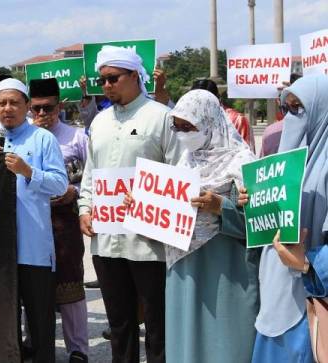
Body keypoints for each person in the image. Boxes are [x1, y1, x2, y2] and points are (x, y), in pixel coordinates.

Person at [124, 89, 259, 362]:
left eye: (189, 126)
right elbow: (163, 222)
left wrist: (221, 207)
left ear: (210, 122)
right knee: (187, 344)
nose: (183, 133)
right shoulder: (183, 163)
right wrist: (140, 206)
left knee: (227, 345)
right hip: (184, 271)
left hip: (226, 273)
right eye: (178, 127)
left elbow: (259, 225)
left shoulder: (243, 164)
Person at [77, 45, 179, 363]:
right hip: (107, 241)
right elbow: (91, 173)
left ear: (134, 76)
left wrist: (152, 199)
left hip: (150, 241)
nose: (106, 85)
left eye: (112, 78)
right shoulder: (100, 123)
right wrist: (84, 208)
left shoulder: (161, 117)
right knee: (119, 324)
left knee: (158, 324)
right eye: (101, 80)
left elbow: (181, 173)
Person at [0, 78, 67, 363]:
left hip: (34, 248)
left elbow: (61, 185)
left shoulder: (43, 139)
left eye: (15, 102)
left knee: (39, 321)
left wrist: (29, 171)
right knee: (4, 322)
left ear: (27, 105)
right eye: (2, 103)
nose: (8, 108)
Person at [238, 74, 328, 363]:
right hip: (276, 296)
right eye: (286, 108)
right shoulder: (289, 160)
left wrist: (307, 264)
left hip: (313, 304)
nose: (291, 116)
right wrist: (253, 205)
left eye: (298, 108)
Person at [29, 78, 89, 362]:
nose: (42, 115)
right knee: (32, 287)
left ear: (59, 106)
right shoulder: (22, 138)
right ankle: (35, 344)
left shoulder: (75, 137)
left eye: (48, 109)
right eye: (37, 109)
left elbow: (92, 177)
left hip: (64, 221)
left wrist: (74, 192)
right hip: (31, 221)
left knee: (71, 286)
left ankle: (77, 349)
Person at [190, 79, 256, 152]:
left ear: (218, 98)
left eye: (207, 101)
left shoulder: (237, 120)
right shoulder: (188, 121)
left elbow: (247, 154)